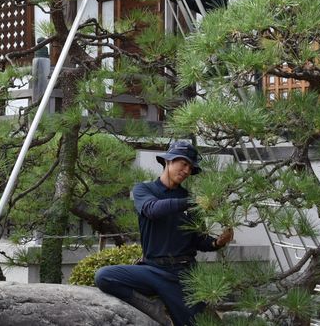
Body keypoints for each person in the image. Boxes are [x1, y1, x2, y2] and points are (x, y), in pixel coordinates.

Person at [95, 140, 234, 326]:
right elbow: (152, 209)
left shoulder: (191, 201)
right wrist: (190, 202)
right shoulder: (144, 190)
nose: (186, 171)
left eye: (190, 168)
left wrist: (218, 242)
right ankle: (152, 307)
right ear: (168, 161)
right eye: (183, 164)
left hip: (183, 274)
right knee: (104, 276)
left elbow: (199, 240)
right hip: (152, 270)